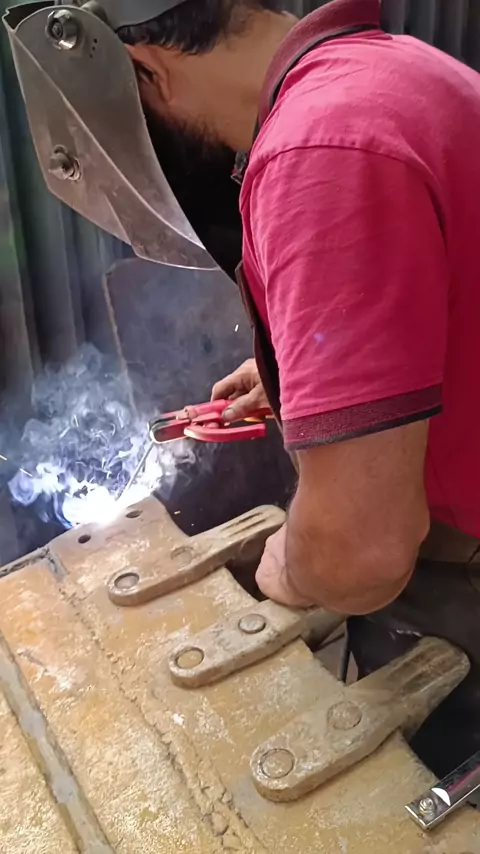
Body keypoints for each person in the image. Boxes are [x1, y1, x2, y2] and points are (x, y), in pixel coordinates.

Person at [8, 0, 480, 775]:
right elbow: (437, 284)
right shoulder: (387, 71)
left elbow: (362, 552)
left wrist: (289, 565)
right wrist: (304, 369)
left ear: (144, 71)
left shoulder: (315, 151)